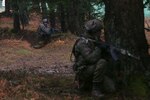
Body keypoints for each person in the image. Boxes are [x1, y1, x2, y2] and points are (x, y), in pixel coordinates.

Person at [72, 19, 108, 98]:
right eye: (99, 31)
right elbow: (91, 59)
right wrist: (99, 48)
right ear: (93, 32)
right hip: (83, 71)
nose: (100, 33)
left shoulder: (95, 40)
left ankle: (88, 85)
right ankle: (95, 90)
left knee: (111, 88)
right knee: (102, 62)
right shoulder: (82, 42)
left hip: (92, 69)